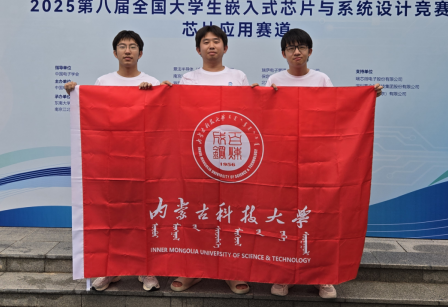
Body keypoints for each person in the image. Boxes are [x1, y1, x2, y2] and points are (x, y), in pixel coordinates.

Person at [266, 28, 383, 299]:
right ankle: (284, 275)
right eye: (291, 48)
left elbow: (336, 111)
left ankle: (323, 277)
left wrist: (366, 96)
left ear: (310, 51)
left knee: (319, 218)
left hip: (317, 160)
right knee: (284, 218)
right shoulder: (274, 80)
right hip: (284, 161)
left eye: (301, 47)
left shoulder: (321, 79)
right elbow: (265, 115)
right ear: (283, 53)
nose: (297, 52)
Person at [162, 25, 257, 295]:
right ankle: (192, 270)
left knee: (230, 213)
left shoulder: (238, 76)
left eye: (216, 41)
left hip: (231, 157)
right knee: (197, 212)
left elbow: (249, 113)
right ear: (198, 49)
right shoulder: (188, 78)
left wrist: (259, 95)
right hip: (198, 156)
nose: (211, 46)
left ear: (225, 47)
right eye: (206, 42)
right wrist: (166, 93)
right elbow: (179, 114)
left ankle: (231, 271)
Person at [65, 30, 161, 292]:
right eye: (122, 46)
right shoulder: (103, 81)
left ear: (141, 53)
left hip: (143, 163)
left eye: (133, 46)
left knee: (142, 216)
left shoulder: (151, 82)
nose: (127, 50)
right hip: (110, 163)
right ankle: (109, 270)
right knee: (111, 216)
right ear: (115, 52)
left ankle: (146, 270)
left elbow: (162, 118)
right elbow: (93, 114)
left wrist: (158, 92)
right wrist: (75, 92)